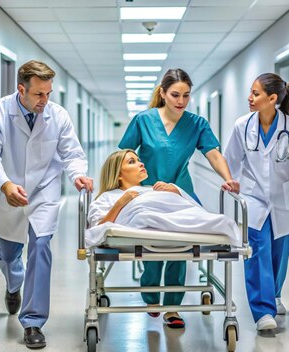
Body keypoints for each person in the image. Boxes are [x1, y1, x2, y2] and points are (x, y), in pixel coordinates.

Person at [0, 60, 93, 349]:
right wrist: (4, 185)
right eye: (39, 94)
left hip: (43, 192)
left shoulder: (58, 115)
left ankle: (33, 322)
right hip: (7, 191)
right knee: (7, 254)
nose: (45, 100)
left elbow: (72, 153)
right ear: (21, 89)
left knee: (41, 247)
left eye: (49, 93)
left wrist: (78, 175)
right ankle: (13, 285)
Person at [118, 68, 240, 329]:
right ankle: (150, 296)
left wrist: (227, 178)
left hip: (181, 192)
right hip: (148, 192)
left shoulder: (197, 124)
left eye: (186, 95)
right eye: (175, 94)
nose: (181, 101)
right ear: (162, 93)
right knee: (151, 247)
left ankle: (172, 307)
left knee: (180, 249)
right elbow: (123, 154)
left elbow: (214, 153)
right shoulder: (143, 120)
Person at [223, 73, 289, 331]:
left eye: (255, 93)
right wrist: (230, 180)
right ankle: (263, 312)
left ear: (273, 98)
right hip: (254, 198)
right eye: (251, 92)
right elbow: (230, 159)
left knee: (279, 254)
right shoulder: (242, 126)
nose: (250, 97)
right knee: (257, 253)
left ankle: (274, 293)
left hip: (286, 200)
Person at [86, 149, 242, 250]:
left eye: (139, 159)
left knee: (214, 219)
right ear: (118, 174)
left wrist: (176, 191)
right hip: (144, 218)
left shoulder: (151, 189)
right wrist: (121, 203)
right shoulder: (108, 197)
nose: (141, 163)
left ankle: (214, 223)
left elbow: (189, 207)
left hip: (173, 216)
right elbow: (98, 228)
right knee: (144, 216)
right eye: (132, 162)